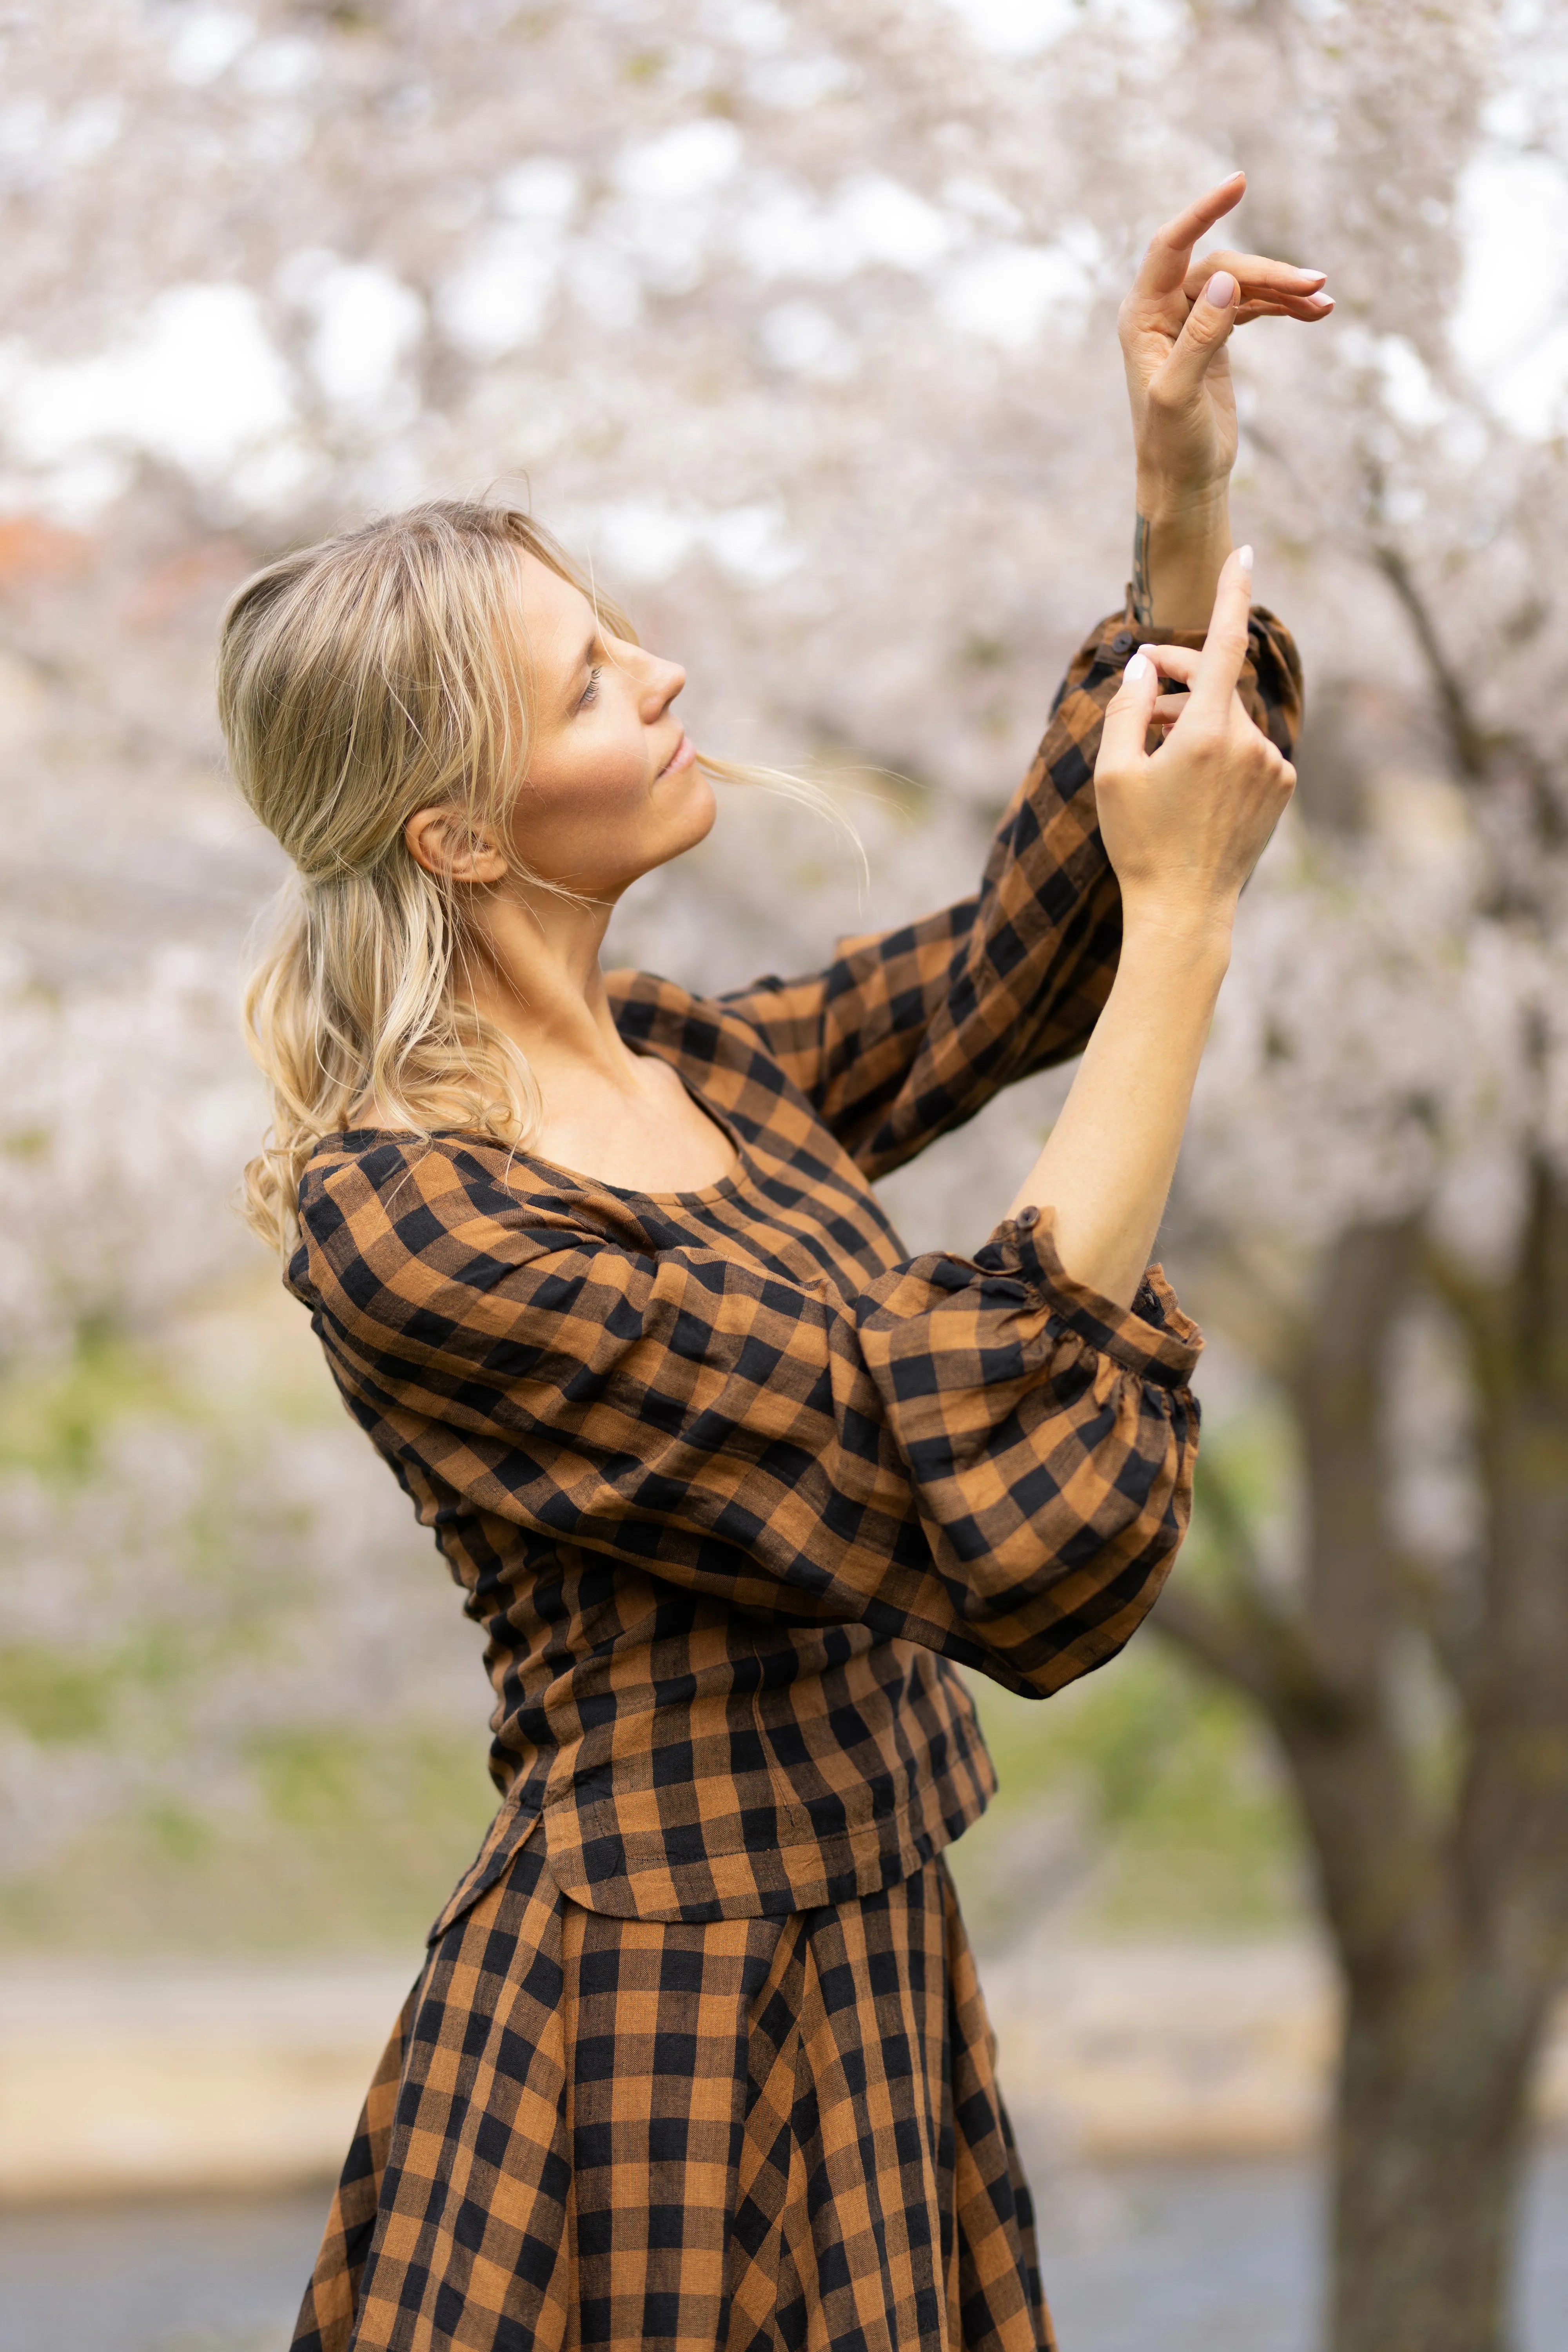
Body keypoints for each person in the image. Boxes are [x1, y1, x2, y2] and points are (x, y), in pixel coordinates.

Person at [220, 174, 1325, 2352]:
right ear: (460, 830)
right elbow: (970, 1481)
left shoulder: (702, 1065)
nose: (669, 675)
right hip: (639, 2038)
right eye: (591, 681)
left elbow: (1039, 939)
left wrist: (1179, 482)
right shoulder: (416, 1225)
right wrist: (1193, 923)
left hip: (876, 1981)